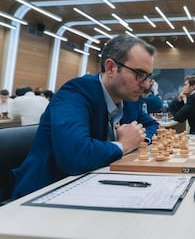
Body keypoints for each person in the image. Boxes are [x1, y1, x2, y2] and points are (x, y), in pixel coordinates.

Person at [12, 34, 158, 199]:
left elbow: (153, 125)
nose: (146, 85)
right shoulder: (75, 93)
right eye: (139, 74)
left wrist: (140, 139)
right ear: (111, 68)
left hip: (95, 187)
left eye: (148, 77)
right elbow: (75, 156)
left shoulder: (129, 99)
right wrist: (124, 144)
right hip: (45, 193)